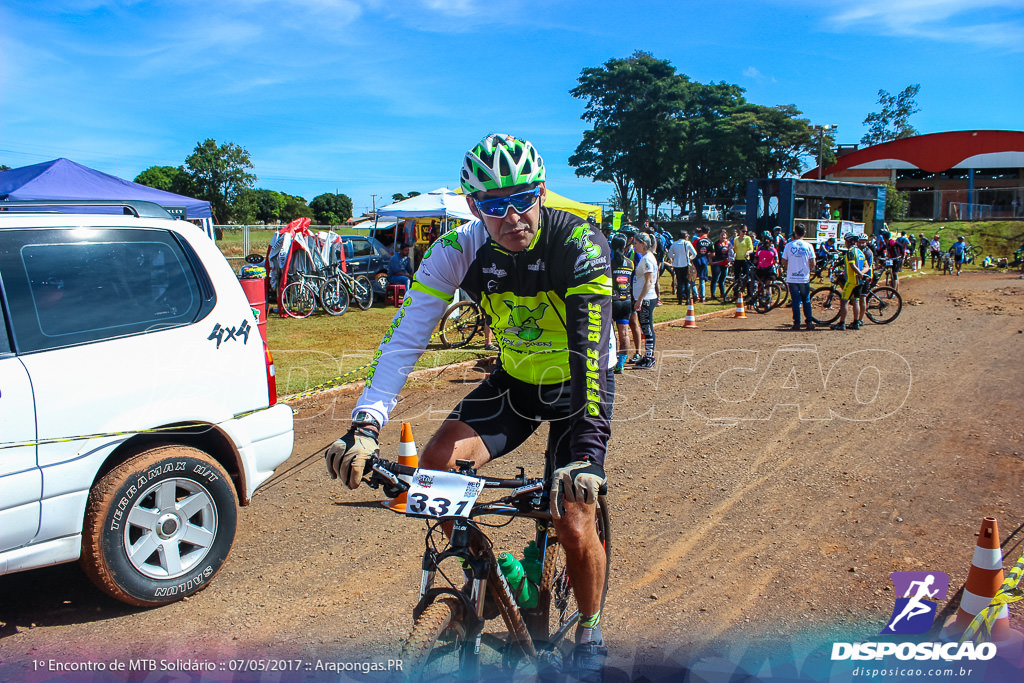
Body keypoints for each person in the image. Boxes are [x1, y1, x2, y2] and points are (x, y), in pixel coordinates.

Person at [324, 134, 613, 676]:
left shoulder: (581, 243)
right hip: (516, 382)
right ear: (473, 206)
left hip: (580, 385)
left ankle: (591, 629)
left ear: (543, 192)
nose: (511, 217)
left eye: (523, 198)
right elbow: (404, 341)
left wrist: (589, 456)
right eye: (492, 205)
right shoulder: (455, 250)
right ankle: (499, 570)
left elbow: (587, 352)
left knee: (573, 518)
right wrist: (366, 424)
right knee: (434, 465)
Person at [830, 233, 868, 331]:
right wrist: (861, 274)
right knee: (856, 301)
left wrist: (859, 273)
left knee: (844, 301)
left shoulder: (851, 251)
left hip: (851, 281)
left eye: (846, 241)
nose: (845, 243)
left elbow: (852, 265)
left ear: (849, 241)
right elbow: (866, 266)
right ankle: (856, 322)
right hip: (859, 282)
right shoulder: (860, 252)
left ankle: (841, 323)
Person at [781, 224, 816, 330]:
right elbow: (812, 263)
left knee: (795, 301)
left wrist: (790, 268)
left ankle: (796, 323)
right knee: (806, 300)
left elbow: (783, 261)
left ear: (795, 233)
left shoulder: (788, 245)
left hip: (792, 277)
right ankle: (809, 322)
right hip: (804, 277)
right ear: (804, 233)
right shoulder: (809, 246)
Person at [631, 233, 658, 369]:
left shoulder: (647, 259)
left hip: (646, 298)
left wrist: (640, 299)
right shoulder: (647, 258)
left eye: (636, 243)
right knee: (646, 327)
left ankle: (650, 357)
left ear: (643, 243)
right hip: (646, 298)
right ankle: (648, 356)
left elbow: (649, 281)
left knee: (647, 328)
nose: (634, 246)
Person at [610, 233, 633, 373]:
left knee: (610, 333)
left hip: (612, 301)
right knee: (624, 333)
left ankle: (612, 360)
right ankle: (621, 363)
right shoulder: (630, 263)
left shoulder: (609, 262)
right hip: (626, 301)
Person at [668, 229, 697, 304]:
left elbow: (670, 254)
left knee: (679, 282)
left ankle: (680, 299)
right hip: (685, 264)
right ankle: (687, 299)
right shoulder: (687, 243)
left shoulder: (674, 244)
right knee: (687, 282)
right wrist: (690, 258)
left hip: (677, 265)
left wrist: (675, 256)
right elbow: (694, 253)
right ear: (685, 236)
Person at [732, 226, 754, 297]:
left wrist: (748, 252)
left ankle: (748, 293)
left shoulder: (748, 238)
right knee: (736, 276)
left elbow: (751, 249)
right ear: (740, 231)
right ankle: (736, 292)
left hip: (745, 260)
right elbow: (734, 249)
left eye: (745, 231)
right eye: (743, 231)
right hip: (737, 259)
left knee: (746, 276)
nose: (744, 233)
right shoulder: (736, 239)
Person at [692, 227, 713, 302]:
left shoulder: (697, 240)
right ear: (708, 232)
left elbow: (692, 250)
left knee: (693, 279)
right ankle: (703, 297)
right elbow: (712, 252)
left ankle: (695, 295)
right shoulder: (710, 241)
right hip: (704, 260)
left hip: (696, 260)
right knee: (702, 279)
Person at [710, 230, 731, 300]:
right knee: (715, 279)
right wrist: (710, 261)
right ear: (719, 236)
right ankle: (712, 294)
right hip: (717, 263)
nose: (723, 236)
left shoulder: (728, 243)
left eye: (724, 235)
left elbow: (731, 253)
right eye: (722, 235)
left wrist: (729, 261)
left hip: (725, 263)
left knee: (722, 280)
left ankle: (723, 293)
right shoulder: (716, 244)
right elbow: (712, 253)